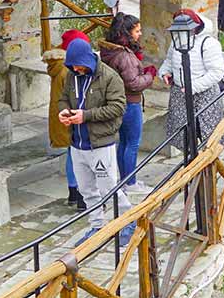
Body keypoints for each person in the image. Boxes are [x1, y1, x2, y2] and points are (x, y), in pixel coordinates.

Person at [52, 38, 127, 247]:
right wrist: (64, 111)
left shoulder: (110, 78)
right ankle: (97, 226)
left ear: (88, 60)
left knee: (109, 187)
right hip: (78, 143)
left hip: (101, 143)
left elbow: (118, 107)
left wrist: (86, 116)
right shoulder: (72, 76)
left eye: (78, 65)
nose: (75, 68)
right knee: (86, 189)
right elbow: (63, 98)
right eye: (72, 65)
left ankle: (127, 221)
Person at [98, 14, 156, 185]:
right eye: (137, 31)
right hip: (130, 102)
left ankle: (124, 181)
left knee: (123, 142)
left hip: (117, 101)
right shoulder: (123, 56)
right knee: (132, 143)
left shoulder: (109, 50)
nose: (140, 34)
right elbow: (134, 84)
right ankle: (130, 182)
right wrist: (150, 75)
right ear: (126, 33)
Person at [160, 9, 224, 155]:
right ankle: (190, 164)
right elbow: (169, 61)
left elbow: (216, 72)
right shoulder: (176, 40)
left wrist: (194, 87)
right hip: (181, 95)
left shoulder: (208, 43)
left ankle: (209, 165)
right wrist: (165, 72)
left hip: (205, 96)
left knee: (209, 135)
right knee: (185, 136)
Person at [57, 28, 90, 208]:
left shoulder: (59, 67)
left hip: (65, 117)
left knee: (72, 154)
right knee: (77, 156)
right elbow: (69, 96)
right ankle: (79, 195)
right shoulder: (69, 72)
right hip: (72, 118)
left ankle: (73, 192)